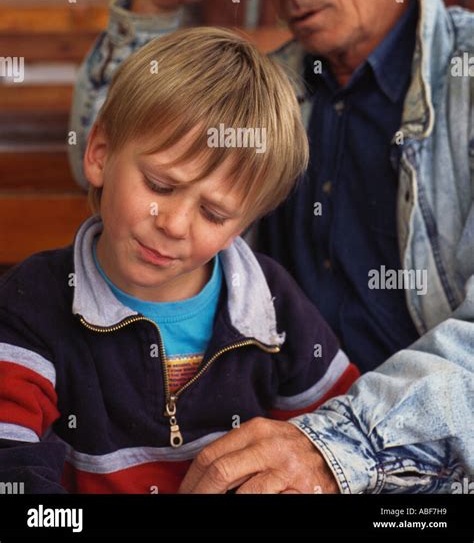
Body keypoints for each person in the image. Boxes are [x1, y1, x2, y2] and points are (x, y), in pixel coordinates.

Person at [68, 0, 474, 494]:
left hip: (421, 467)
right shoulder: (269, 94)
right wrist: (152, 4)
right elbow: (103, 157)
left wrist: (336, 447)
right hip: (259, 438)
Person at [0, 27, 359, 494]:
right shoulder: (33, 302)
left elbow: (335, 434)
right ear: (100, 154)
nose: (173, 224)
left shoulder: (271, 305)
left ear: (242, 225)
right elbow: (12, 465)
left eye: (214, 214)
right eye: (160, 186)